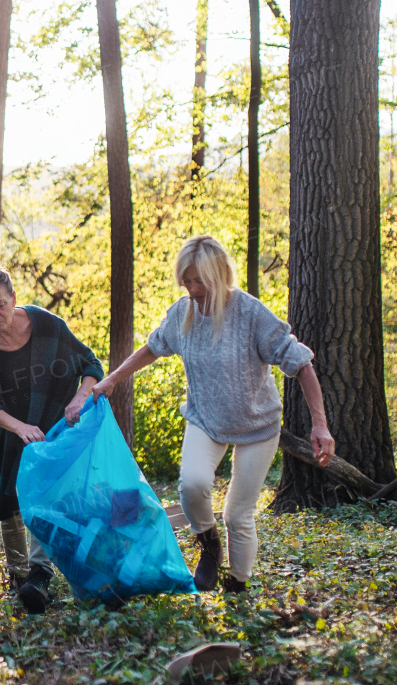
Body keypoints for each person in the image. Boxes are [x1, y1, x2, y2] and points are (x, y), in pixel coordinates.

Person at [91, 235, 335, 593]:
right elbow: (153, 347)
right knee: (193, 485)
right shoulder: (182, 313)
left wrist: (321, 425)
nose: (192, 288)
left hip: (257, 424)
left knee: (238, 514)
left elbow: (301, 364)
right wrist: (113, 378)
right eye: (186, 281)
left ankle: (238, 584)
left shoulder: (250, 314)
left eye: (199, 280)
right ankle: (208, 545)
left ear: (220, 274)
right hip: (205, 419)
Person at [0, 256, 105, 613]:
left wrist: (79, 397)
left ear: (13, 296)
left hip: (54, 428)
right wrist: (20, 427)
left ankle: (39, 574)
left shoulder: (47, 325)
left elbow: (91, 364)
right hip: (9, 430)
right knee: (8, 496)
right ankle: (17, 574)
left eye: (0, 305)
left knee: (47, 494)